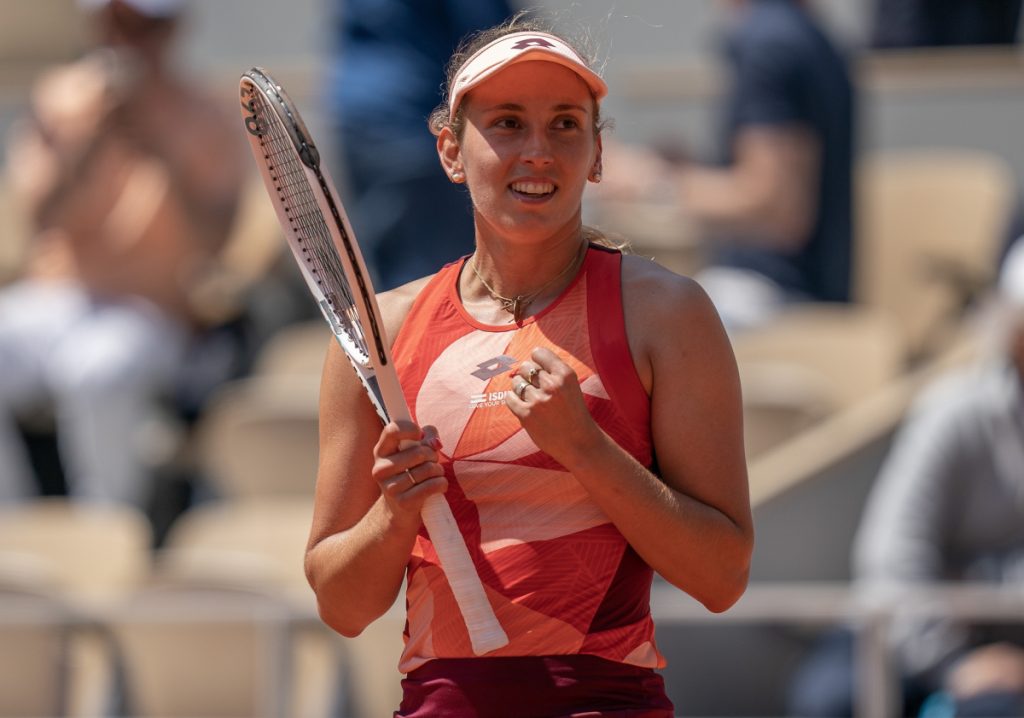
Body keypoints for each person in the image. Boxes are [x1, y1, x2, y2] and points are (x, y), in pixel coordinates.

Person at [304, 16, 754, 717]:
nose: (538, 151)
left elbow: (722, 576)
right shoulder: (381, 333)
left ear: (598, 154)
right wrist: (394, 514)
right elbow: (341, 604)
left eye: (566, 125)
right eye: (507, 124)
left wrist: (584, 448)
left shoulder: (668, 315)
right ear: (451, 150)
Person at [0, 0, 244, 505]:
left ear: (171, 30)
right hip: (56, 296)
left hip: (152, 310)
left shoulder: (205, 113)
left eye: (143, 27)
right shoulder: (61, 99)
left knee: (98, 372)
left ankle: (107, 535)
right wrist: (90, 142)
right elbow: (41, 219)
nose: (128, 40)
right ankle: (14, 533)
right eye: (116, 23)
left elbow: (214, 241)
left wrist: (156, 143)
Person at [787, 238, 1024, 717]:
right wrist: (954, 662)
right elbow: (892, 561)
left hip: (1007, 659)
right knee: (827, 700)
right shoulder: (954, 414)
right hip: (904, 637)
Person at [327, 0, 514, 291]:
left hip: (363, 116)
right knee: (436, 289)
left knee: (403, 280)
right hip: (416, 126)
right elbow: (492, 44)